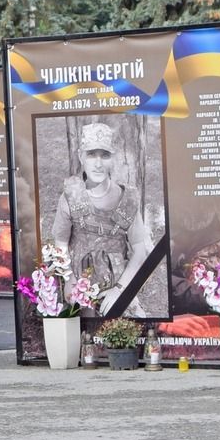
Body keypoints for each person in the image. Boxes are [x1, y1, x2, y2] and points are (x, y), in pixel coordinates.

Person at [47, 120, 153, 318]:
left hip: (117, 285)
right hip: (80, 286)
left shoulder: (127, 199)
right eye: (91, 155)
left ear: (112, 158)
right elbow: (60, 242)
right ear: (81, 157)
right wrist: (69, 279)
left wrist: (119, 290)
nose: (98, 164)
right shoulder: (71, 196)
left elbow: (140, 250)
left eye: (104, 156)